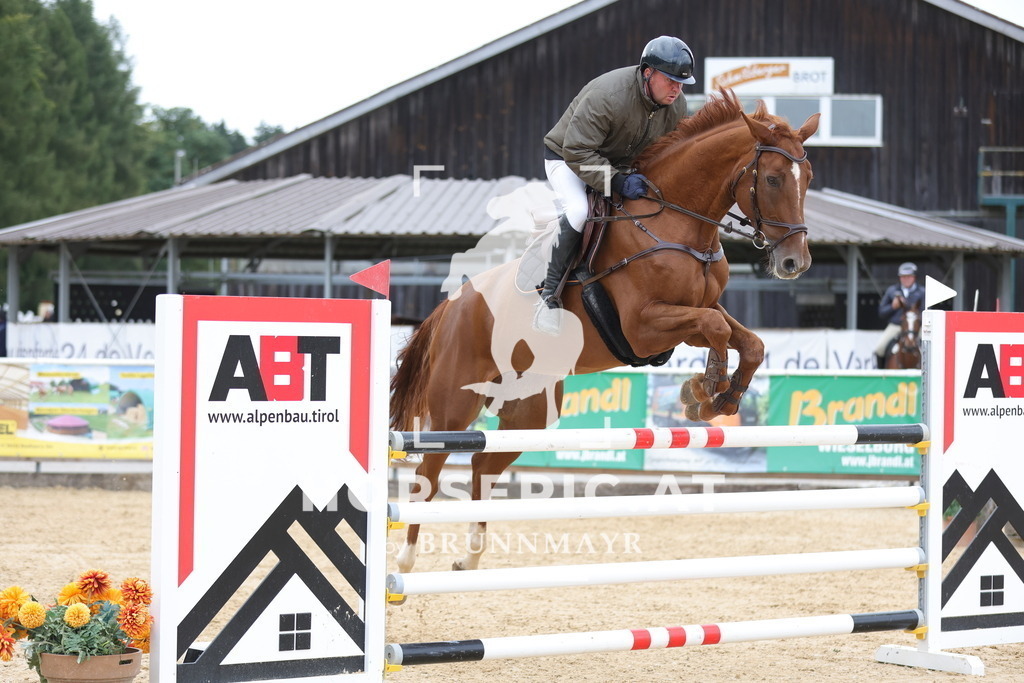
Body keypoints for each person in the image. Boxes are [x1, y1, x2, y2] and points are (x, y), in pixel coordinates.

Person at [534, 35, 695, 335]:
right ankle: (549, 296)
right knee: (580, 210)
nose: (677, 89)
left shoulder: (677, 106)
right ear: (647, 72)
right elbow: (578, 151)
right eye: (670, 80)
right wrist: (617, 180)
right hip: (567, 158)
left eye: (681, 83)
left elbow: (668, 153)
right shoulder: (609, 95)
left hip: (617, 163)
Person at [875, 262, 926, 368]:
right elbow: (881, 312)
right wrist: (893, 307)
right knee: (879, 348)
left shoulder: (922, 292)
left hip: (915, 327)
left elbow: (926, 312)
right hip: (896, 325)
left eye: (909, 276)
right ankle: (881, 374)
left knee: (929, 349)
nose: (906, 279)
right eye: (903, 277)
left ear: (914, 277)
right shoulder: (892, 291)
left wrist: (914, 317)